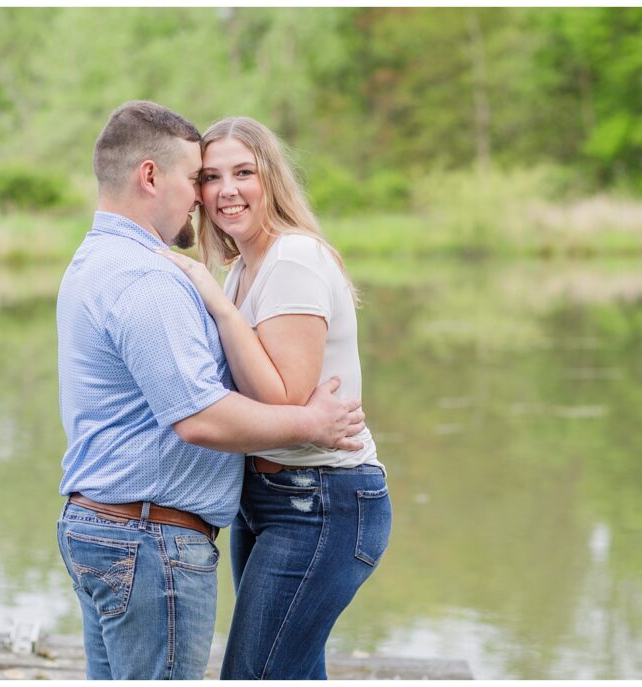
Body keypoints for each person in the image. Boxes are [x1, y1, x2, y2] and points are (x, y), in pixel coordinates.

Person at [55, 101, 367, 680]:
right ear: (151, 177)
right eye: (201, 177)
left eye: (238, 173)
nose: (207, 196)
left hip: (125, 528)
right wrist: (311, 423)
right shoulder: (149, 275)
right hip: (146, 538)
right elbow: (199, 418)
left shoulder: (99, 258)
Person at [159, 116, 392, 679]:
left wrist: (214, 300)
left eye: (244, 172)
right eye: (211, 177)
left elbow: (286, 400)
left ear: (272, 179)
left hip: (321, 502)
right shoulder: (244, 269)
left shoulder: (291, 259)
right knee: (290, 670)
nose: (226, 190)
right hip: (268, 499)